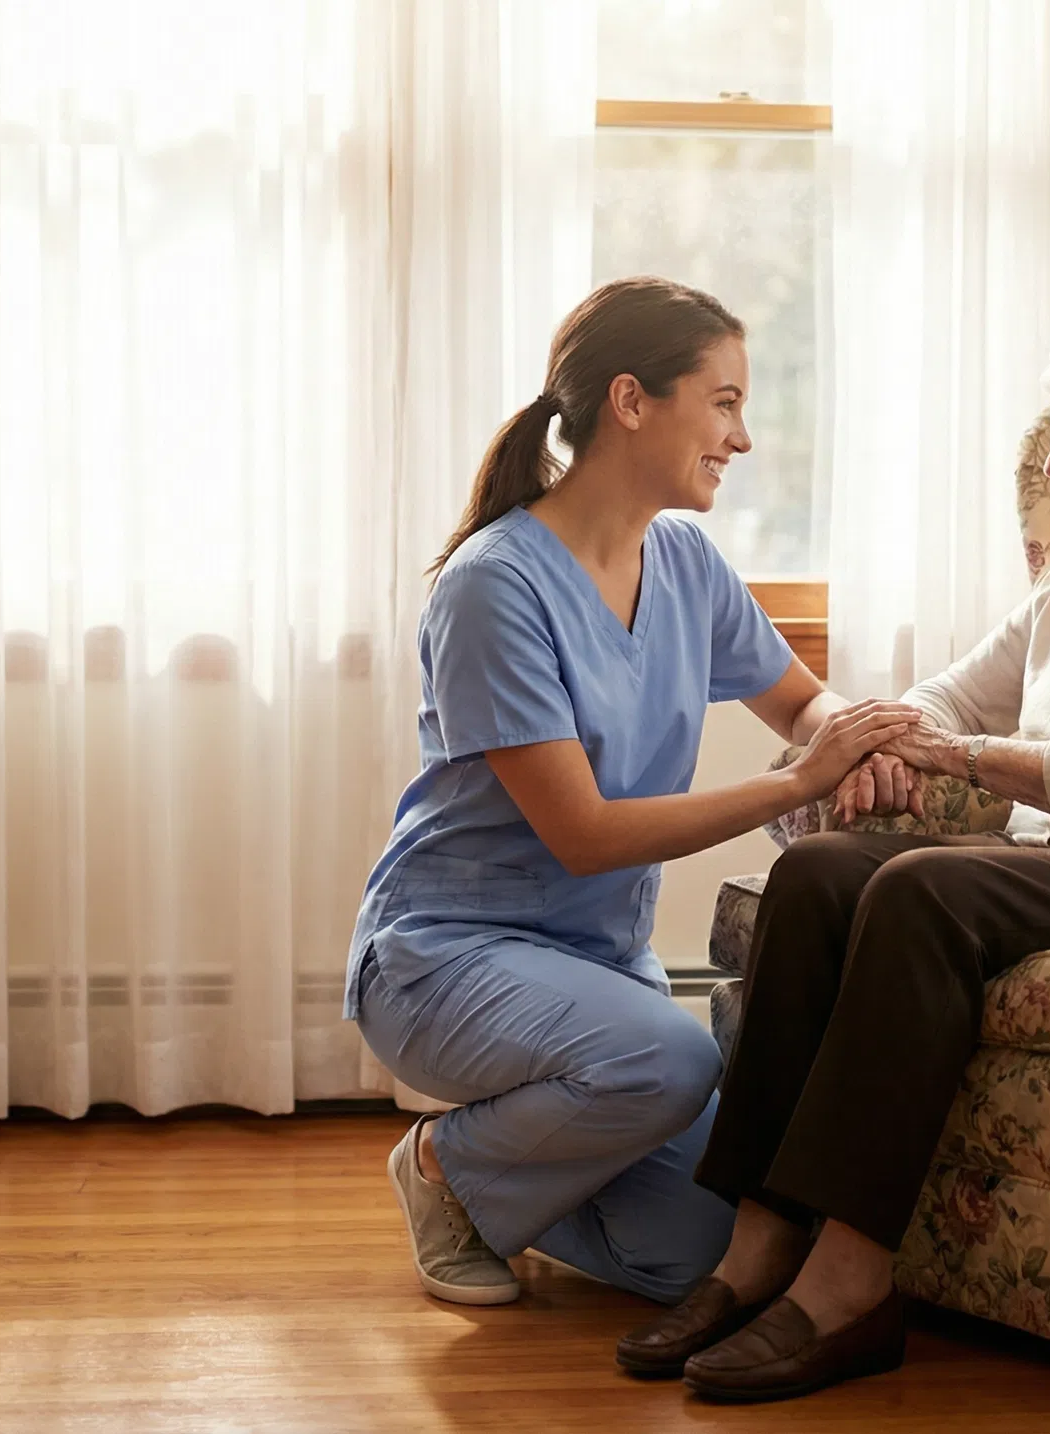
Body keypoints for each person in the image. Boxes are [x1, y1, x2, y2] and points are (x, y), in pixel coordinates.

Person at [618, 299, 1050, 1401]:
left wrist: (965, 756)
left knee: (920, 894)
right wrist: (887, 733)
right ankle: (758, 1244)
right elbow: (960, 687)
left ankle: (852, 1285)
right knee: (816, 872)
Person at [348, 277, 923, 1312]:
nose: (741, 437)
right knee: (669, 1061)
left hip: (598, 972)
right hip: (443, 960)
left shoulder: (688, 563)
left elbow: (801, 702)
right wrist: (795, 783)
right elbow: (583, 835)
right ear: (630, 401)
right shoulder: (496, 585)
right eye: (725, 401)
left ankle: (504, 1186)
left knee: (701, 1254)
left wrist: (854, 738)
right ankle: (442, 1167)